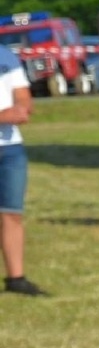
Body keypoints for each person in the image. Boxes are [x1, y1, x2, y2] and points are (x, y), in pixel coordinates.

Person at [0, 44, 44, 297]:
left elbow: (23, 93)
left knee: (12, 213)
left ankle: (16, 279)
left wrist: (22, 108)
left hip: (10, 148)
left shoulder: (6, 56)